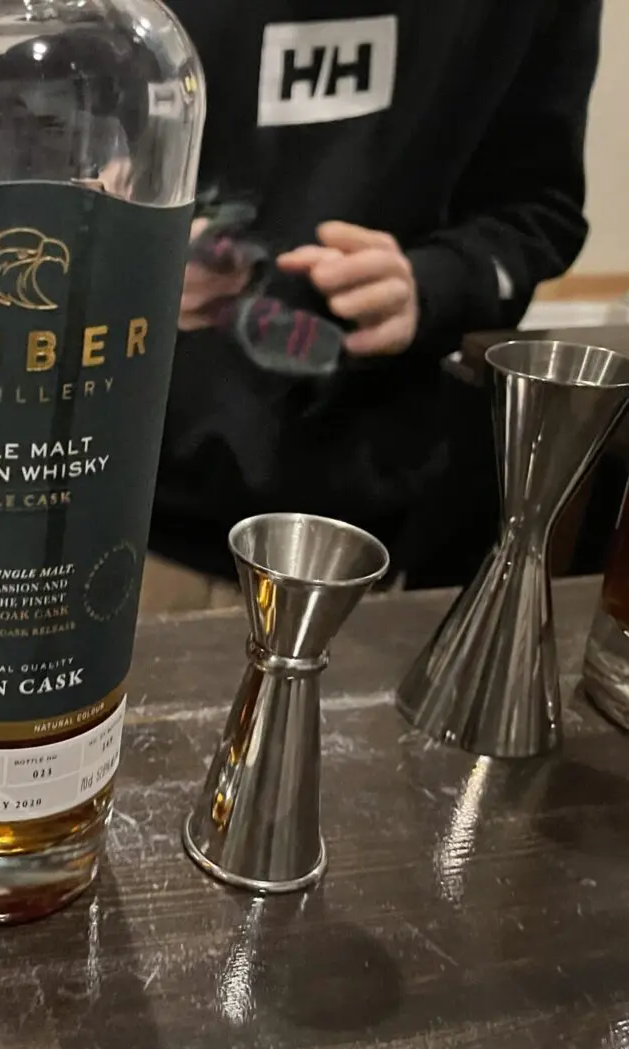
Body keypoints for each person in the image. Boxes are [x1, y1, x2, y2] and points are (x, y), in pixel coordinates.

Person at [149, 0, 603, 601]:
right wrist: (121, 247)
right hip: (121, 504)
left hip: (364, 526)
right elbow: (37, 141)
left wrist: (433, 283)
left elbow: (539, 208)